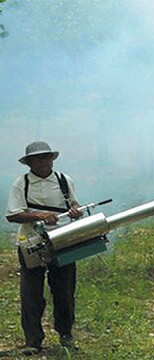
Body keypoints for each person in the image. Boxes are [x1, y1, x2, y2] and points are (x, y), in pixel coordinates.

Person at [5, 141, 82, 356]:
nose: (43, 162)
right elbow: (12, 214)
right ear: (29, 162)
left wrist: (76, 212)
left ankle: (66, 335)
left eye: (46, 158)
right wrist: (39, 215)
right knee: (31, 294)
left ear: (52, 159)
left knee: (65, 291)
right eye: (38, 159)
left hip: (63, 240)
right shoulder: (21, 184)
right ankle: (33, 341)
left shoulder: (64, 180)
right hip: (31, 241)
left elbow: (75, 206)